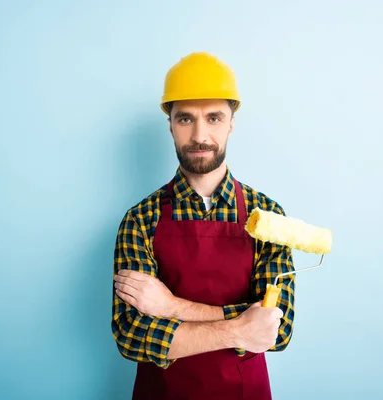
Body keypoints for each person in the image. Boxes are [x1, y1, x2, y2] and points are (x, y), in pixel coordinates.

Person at [111, 52, 296, 400]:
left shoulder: (268, 217)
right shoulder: (141, 219)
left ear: (231, 123)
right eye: (185, 119)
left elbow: (277, 329)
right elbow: (132, 334)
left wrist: (170, 308)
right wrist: (240, 328)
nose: (199, 135)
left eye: (213, 118)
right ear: (170, 124)